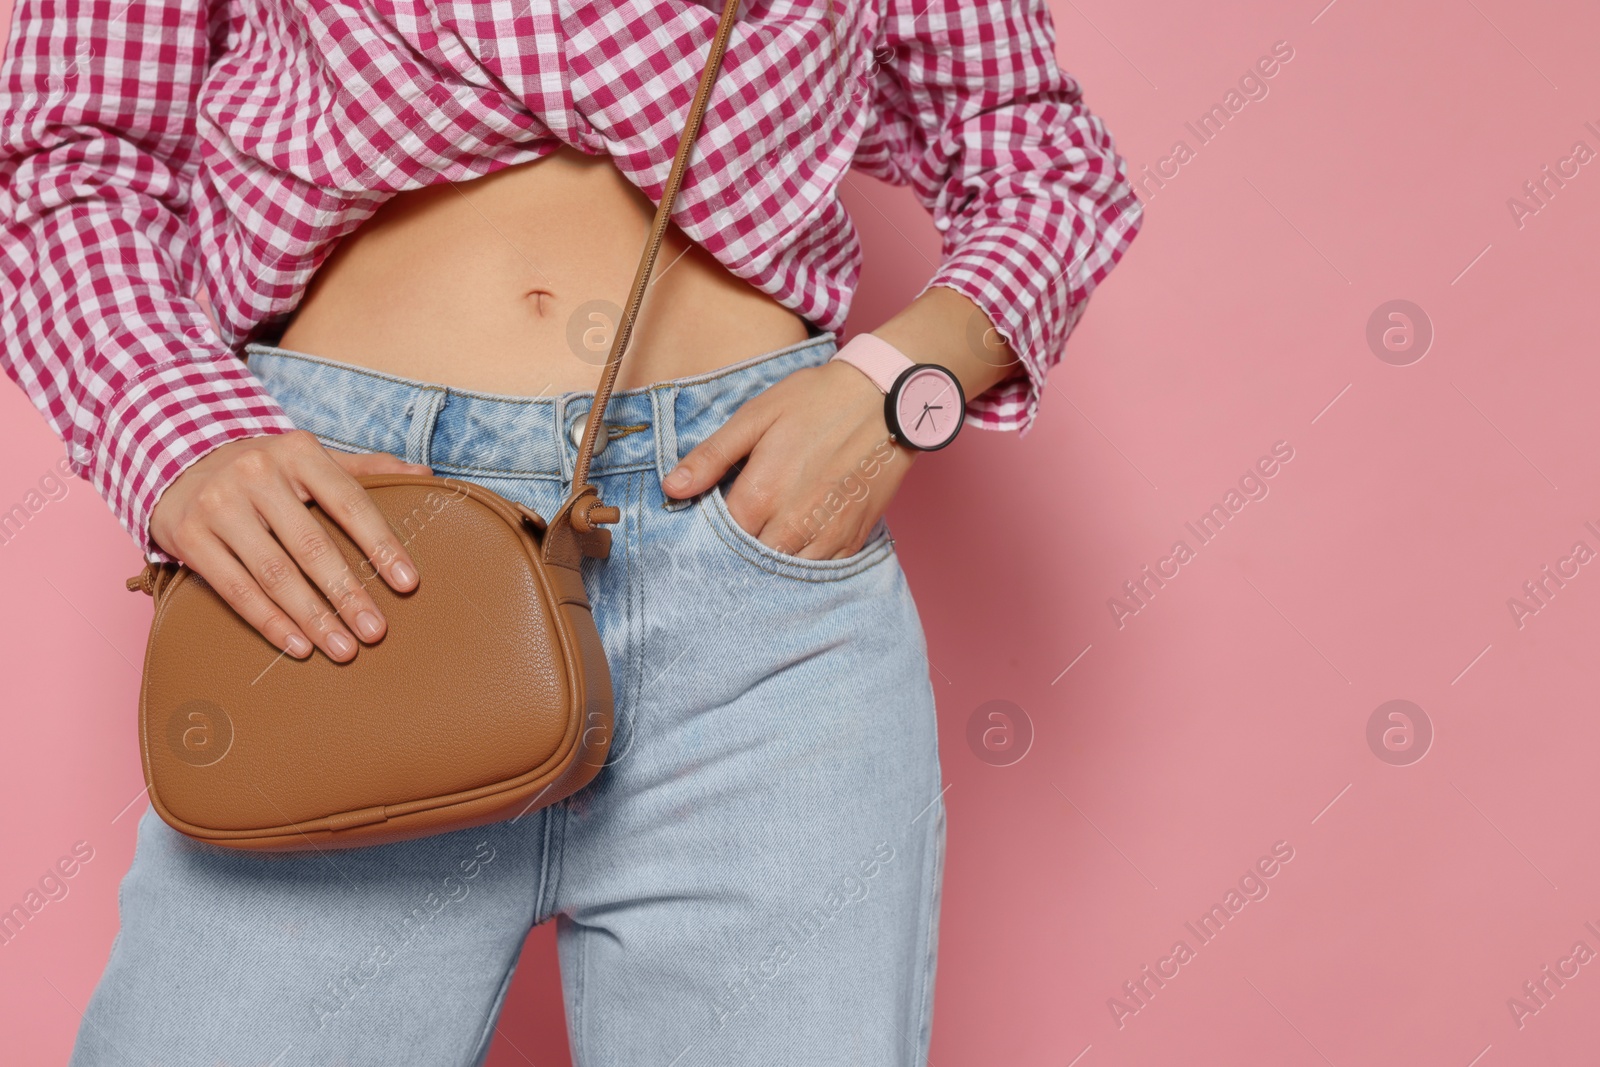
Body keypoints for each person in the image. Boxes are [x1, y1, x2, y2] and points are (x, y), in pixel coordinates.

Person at [0, 0, 1140, 1062]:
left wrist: (897, 394)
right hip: (352, 567)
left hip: (758, 580)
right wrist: (181, 434)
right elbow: (67, 153)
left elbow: (1037, 158)